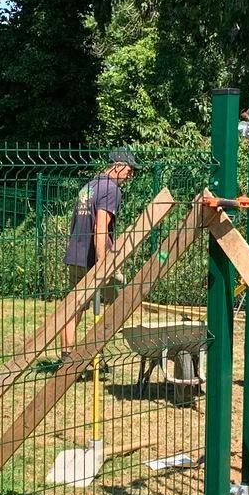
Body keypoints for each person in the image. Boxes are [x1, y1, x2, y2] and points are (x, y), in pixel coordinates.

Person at [61, 149, 139, 349]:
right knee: (121, 304)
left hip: (75, 255)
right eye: (130, 170)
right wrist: (103, 263)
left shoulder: (90, 186)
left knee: (74, 308)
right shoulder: (112, 189)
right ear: (118, 165)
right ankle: (93, 351)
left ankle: (67, 355)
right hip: (94, 259)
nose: (131, 175)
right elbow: (101, 227)